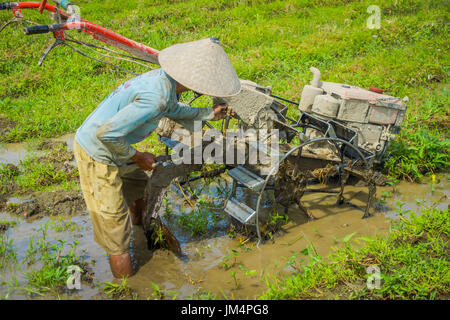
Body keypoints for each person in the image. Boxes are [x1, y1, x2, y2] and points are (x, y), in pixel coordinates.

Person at [73, 38, 241, 278]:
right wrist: (139, 157)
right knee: (116, 233)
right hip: (98, 151)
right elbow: (106, 134)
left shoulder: (165, 82)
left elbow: (173, 109)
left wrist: (208, 114)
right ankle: (129, 288)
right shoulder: (157, 96)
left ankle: (142, 229)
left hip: (119, 146)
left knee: (139, 188)